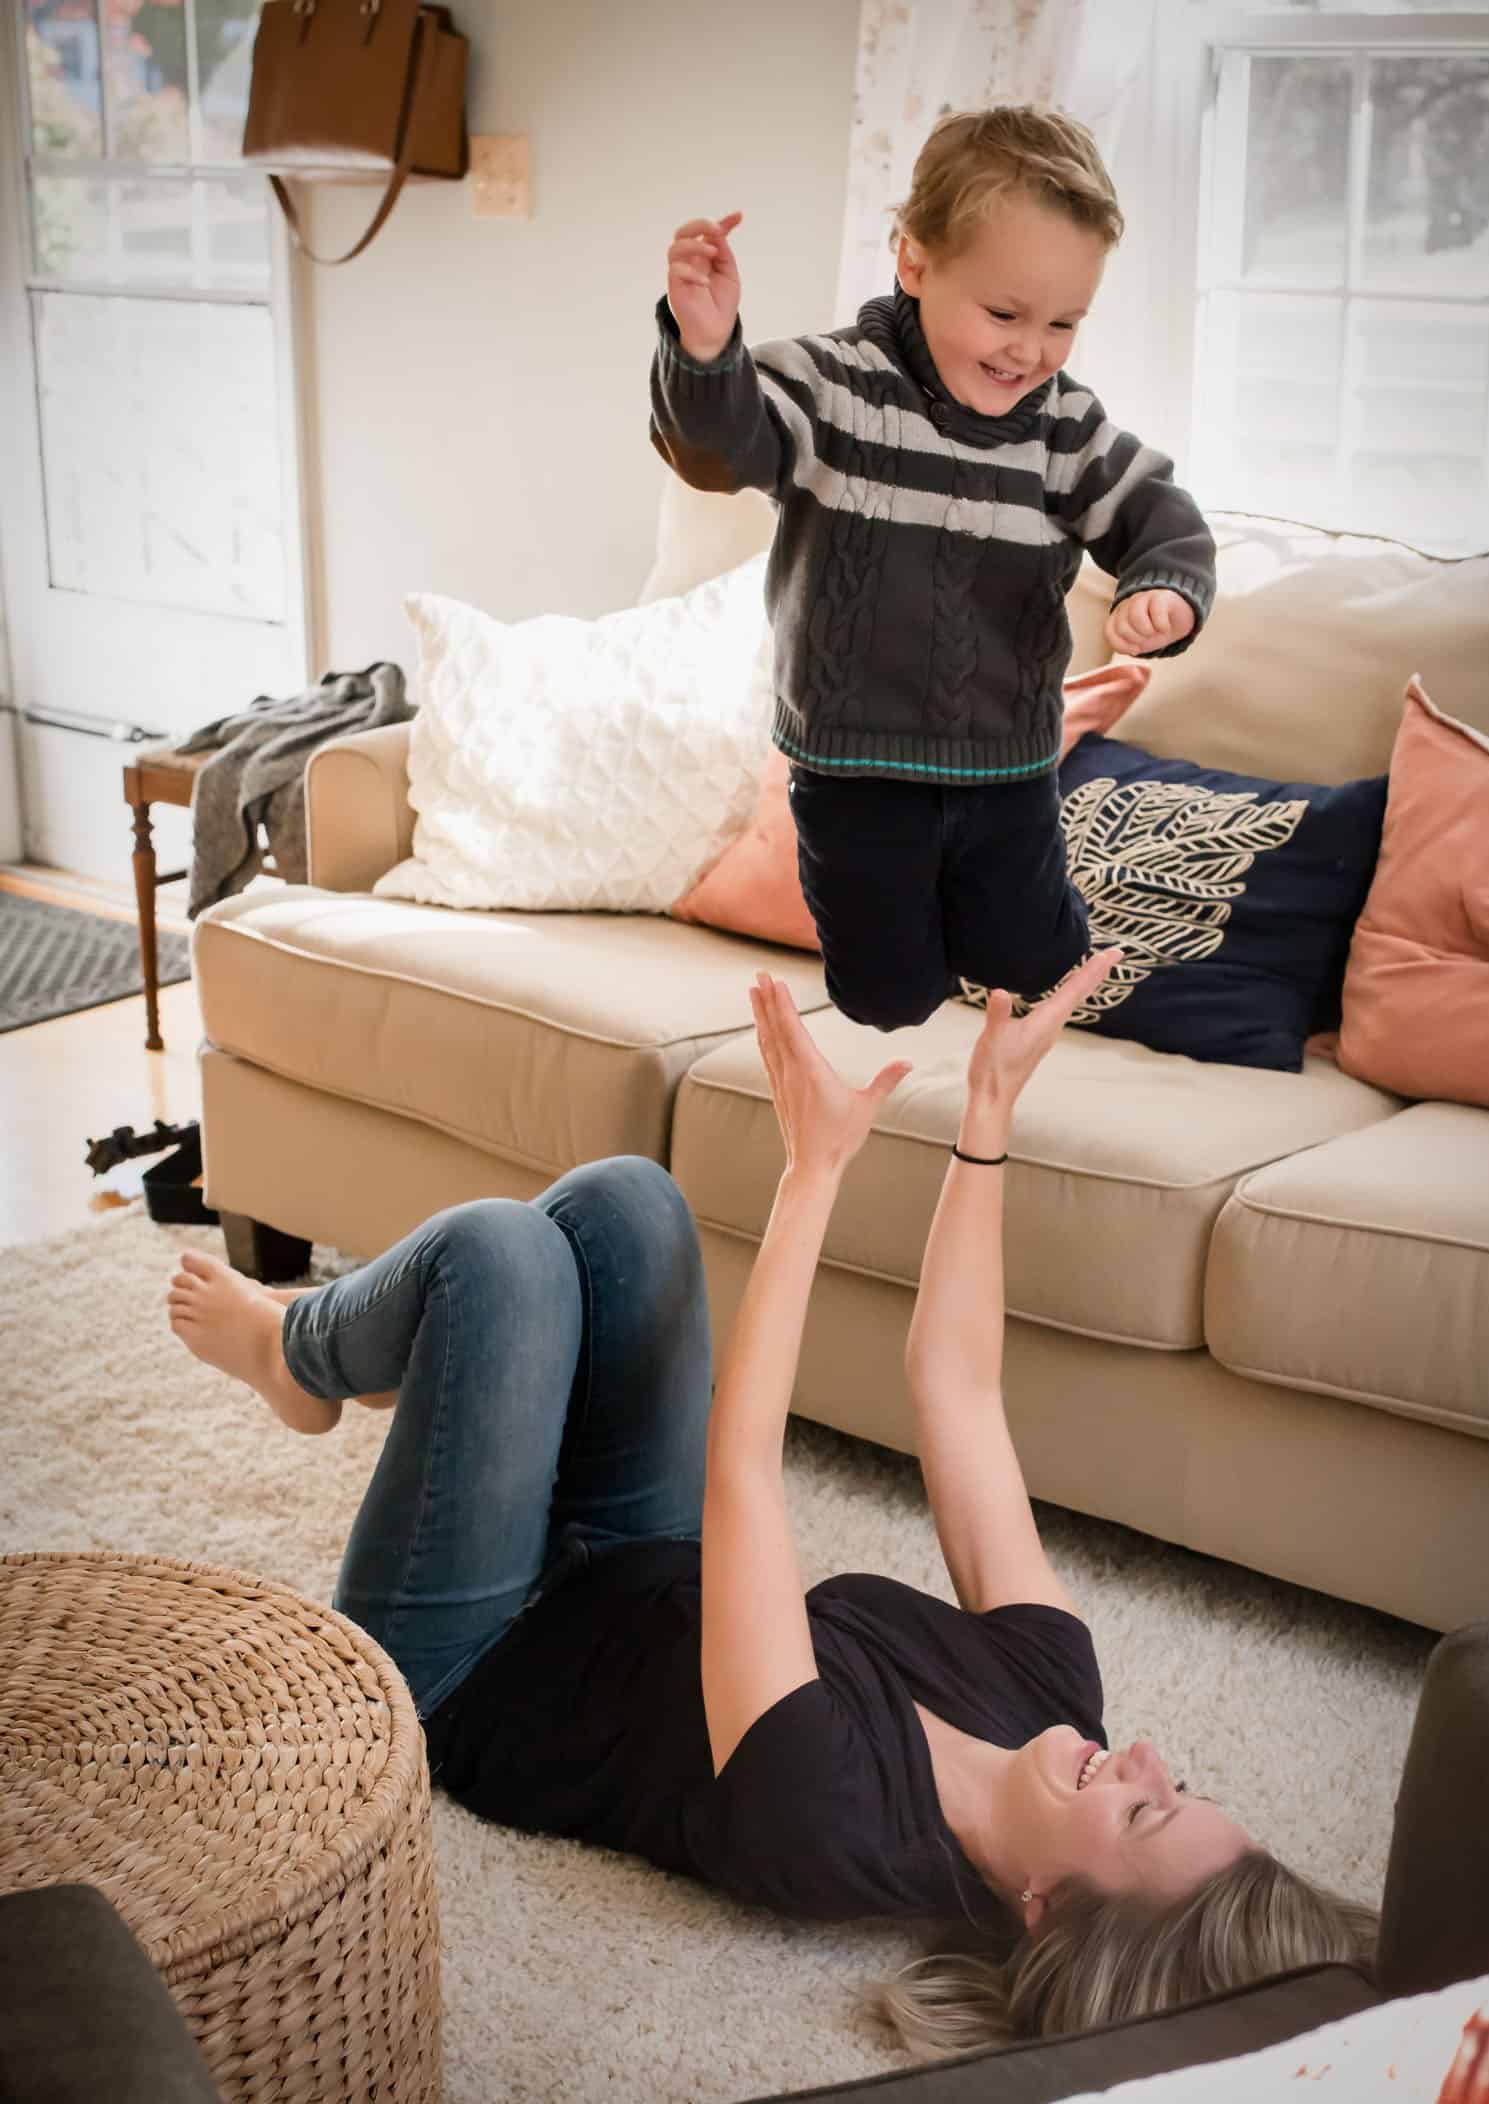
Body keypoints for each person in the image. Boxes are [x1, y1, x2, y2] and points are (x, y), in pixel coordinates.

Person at [166, 948, 1375, 2051]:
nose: (1146, 1759)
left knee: (497, 1255)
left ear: (1045, 1909)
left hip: (469, 1665)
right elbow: (958, 1391)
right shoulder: (1054, 1695)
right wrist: (989, 1115)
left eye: (1144, 1815)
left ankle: (299, 1356)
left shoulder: (827, 1822)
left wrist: (814, 1172)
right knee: (628, 1206)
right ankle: (429, 1369)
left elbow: (745, 1461)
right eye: (1182, 1787)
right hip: (632, 1561)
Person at [650, 105, 1217, 1035]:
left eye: (1063, 323)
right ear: (913, 263)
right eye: (1004, 314)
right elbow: (716, 451)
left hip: (1006, 765)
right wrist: (706, 350)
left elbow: (1156, 511)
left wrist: (1162, 585)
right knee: (885, 996)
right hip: (853, 770)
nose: (1030, 349)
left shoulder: (1062, 428)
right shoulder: (830, 388)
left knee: (1032, 959)